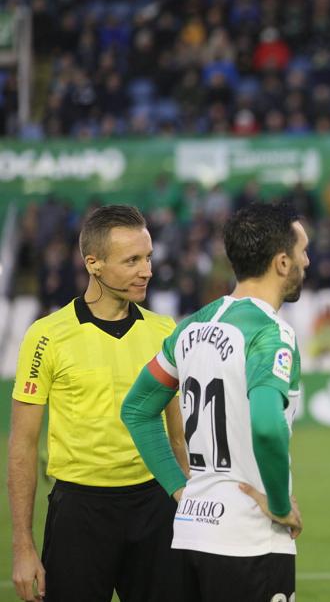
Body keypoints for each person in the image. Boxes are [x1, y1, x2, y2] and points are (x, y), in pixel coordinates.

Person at [120, 202, 308, 601]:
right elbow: (268, 426)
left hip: (190, 532)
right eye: (302, 251)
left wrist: (178, 489)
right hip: (249, 541)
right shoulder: (271, 334)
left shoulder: (192, 325)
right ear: (281, 263)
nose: (307, 260)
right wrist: (278, 504)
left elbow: (137, 409)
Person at [8, 204, 186, 602]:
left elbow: (179, 440)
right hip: (79, 513)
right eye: (132, 260)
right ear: (95, 264)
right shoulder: (46, 337)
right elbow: (22, 446)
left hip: (155, 506)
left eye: (148, 257)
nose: (147, 270)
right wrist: (23, 547)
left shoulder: (164, 331)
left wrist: (193, 516)